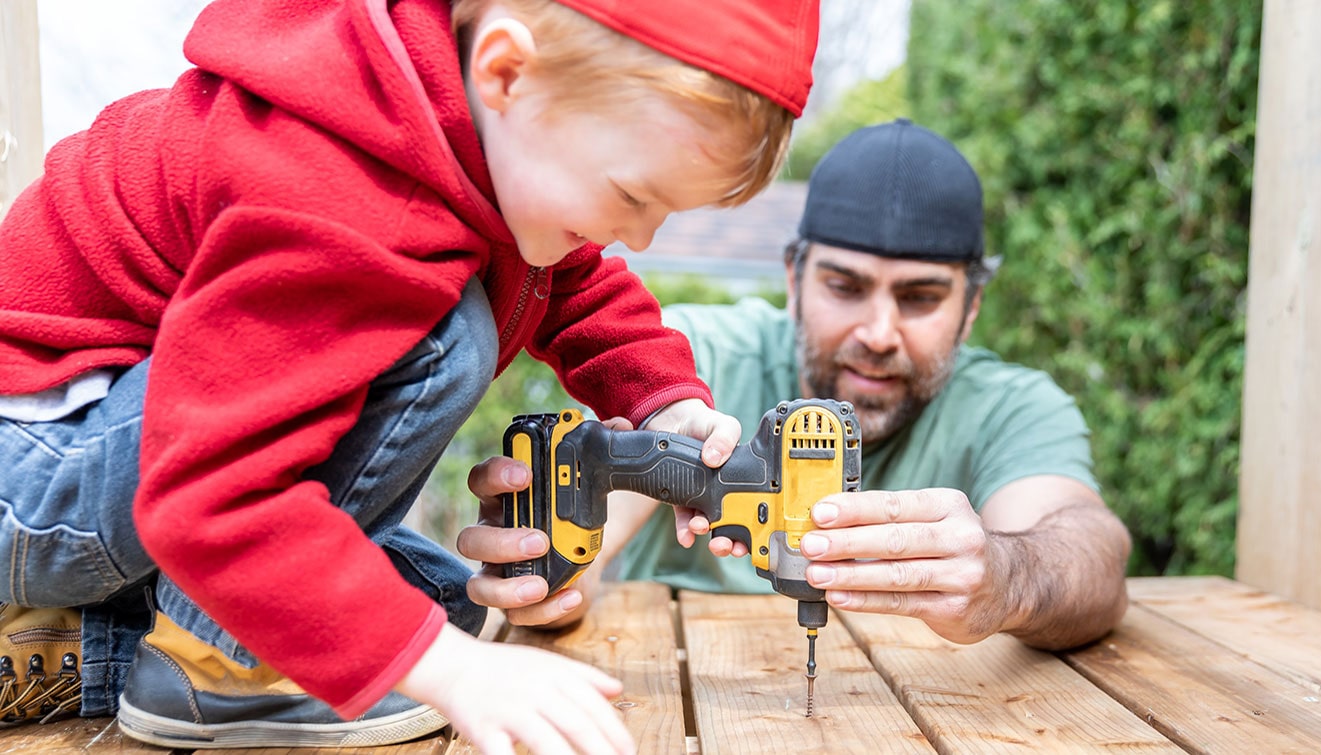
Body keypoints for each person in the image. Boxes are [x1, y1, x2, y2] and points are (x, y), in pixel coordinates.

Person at [0, 0, 819, 751]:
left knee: (443, 600)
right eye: (632, 195)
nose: (638, 236)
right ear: (504, 71)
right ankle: (221, 666)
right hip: (39, 468)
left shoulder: (461, 138)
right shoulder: (336, 193)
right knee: (441, 337)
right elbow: (211, 490)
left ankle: (89, 641)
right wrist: (458, 674)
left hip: (111, 464)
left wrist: (664, 400)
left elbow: (572, 277)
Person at [458, 119, 1132, 653]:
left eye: (921, 296)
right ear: (793, 277)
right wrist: (542, 575)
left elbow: (1090, 554)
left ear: (972, 307)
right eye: (845, 286)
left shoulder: (1011, 407)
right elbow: (584, 541)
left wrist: (1004, 578)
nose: (878, 330)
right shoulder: (681, 364)